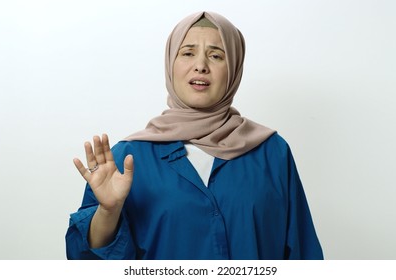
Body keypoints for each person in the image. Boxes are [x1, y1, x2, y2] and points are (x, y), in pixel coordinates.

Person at [65, 11, 323, 260]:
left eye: (216, 56)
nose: (200, 66)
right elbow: (86, 261)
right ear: (170, 63)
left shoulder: (271, 152)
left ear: (234, 69)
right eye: (188, 53)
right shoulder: (126, 158)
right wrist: (108, 212)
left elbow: (303, 253)